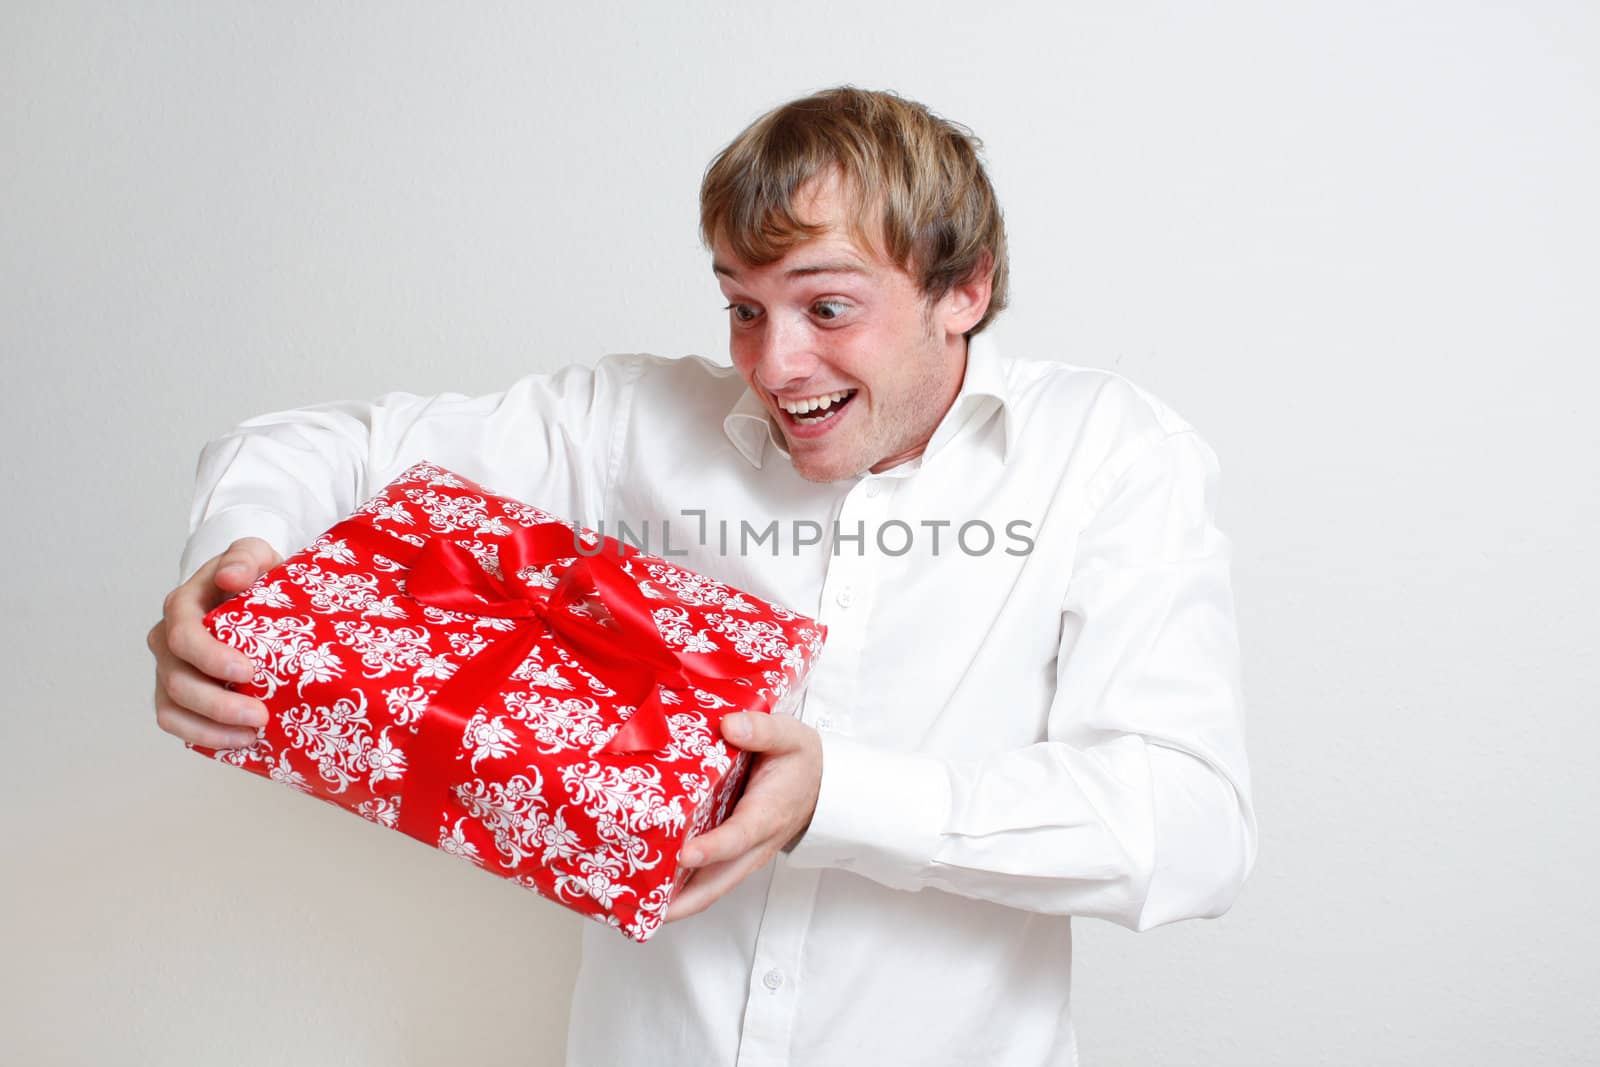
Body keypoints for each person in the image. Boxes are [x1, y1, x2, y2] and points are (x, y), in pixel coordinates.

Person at [148, 87, 1256, 1066]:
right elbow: (305, 447)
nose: (773, 364)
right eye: (742, 305)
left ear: (962, 288)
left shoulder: (1109, 452)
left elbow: (1190, 828)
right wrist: (233, 557)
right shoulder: (633, 421)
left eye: (826, 306)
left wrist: (837, 795)